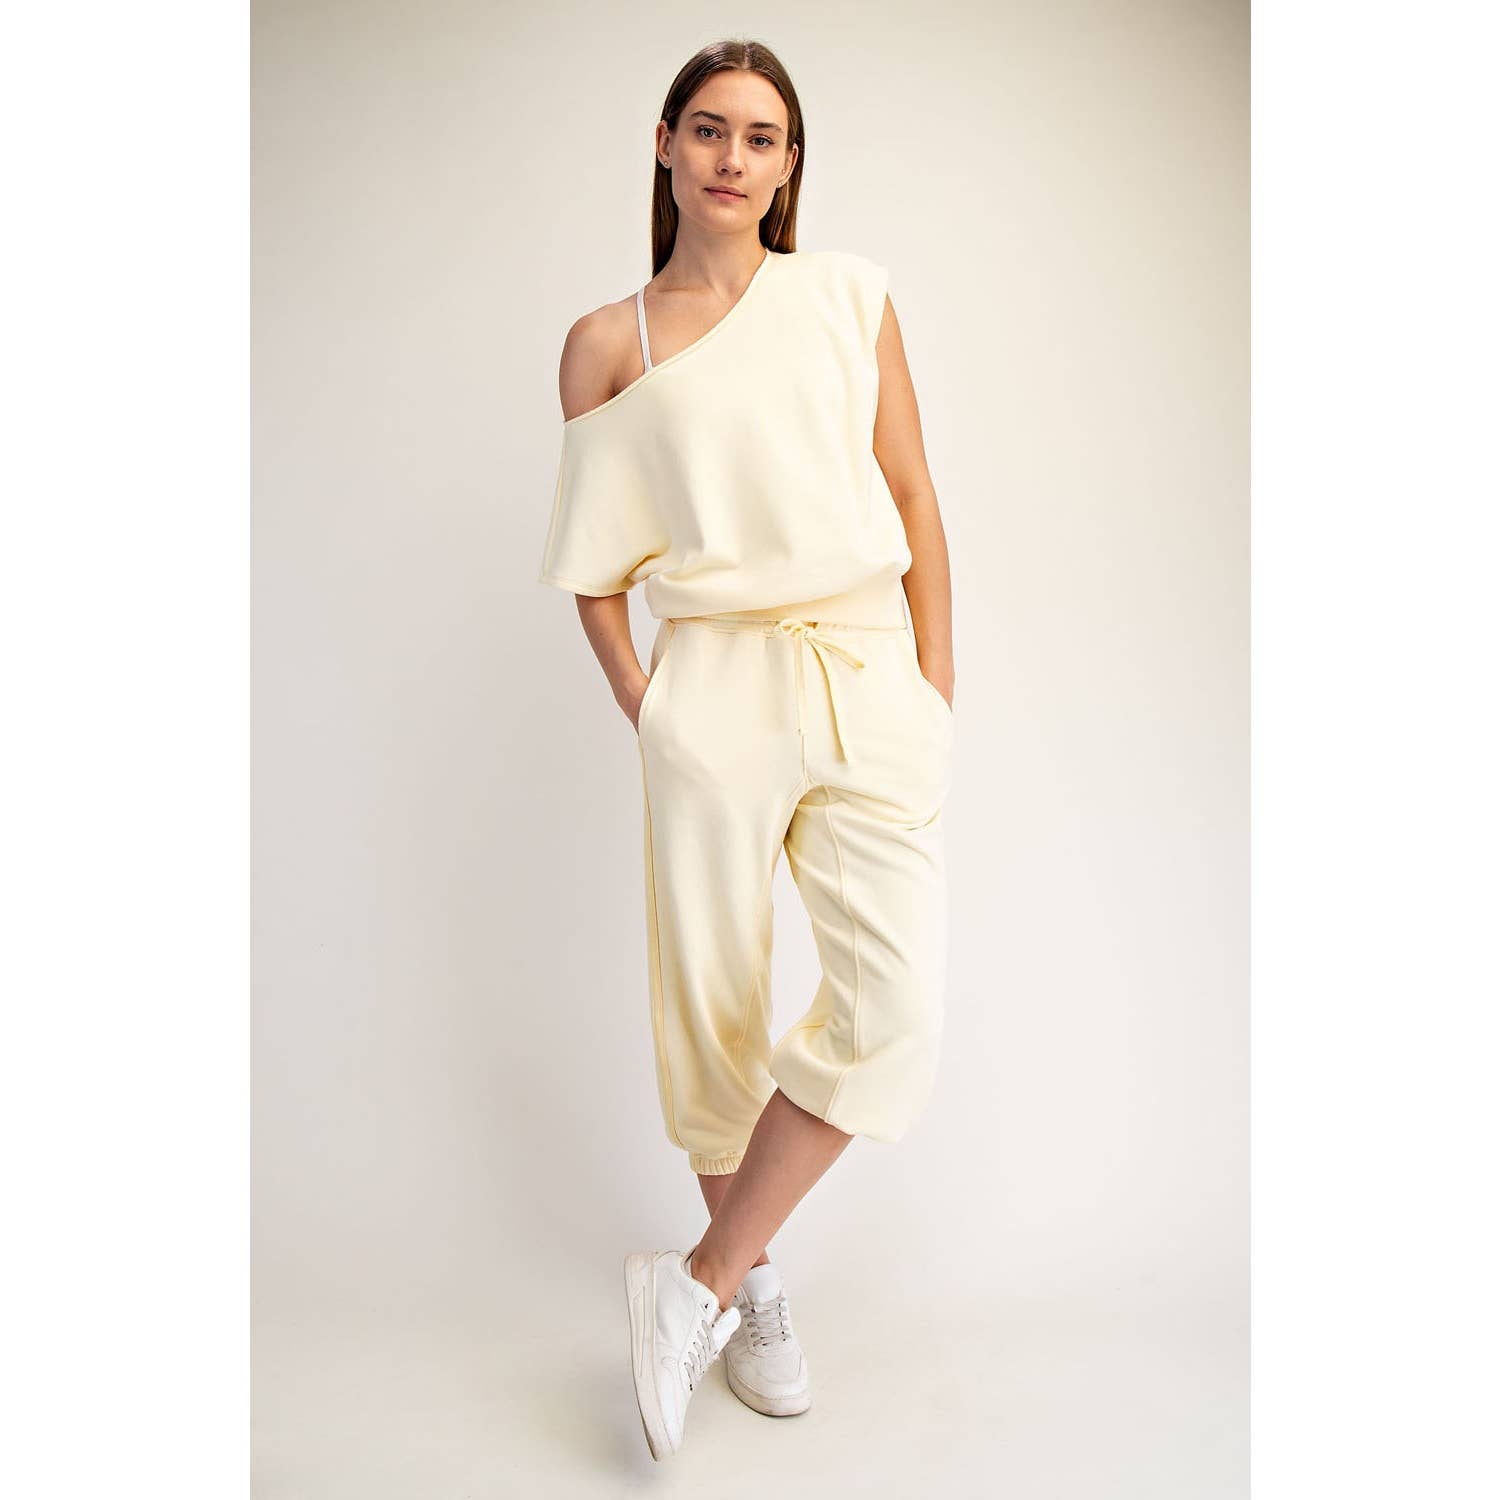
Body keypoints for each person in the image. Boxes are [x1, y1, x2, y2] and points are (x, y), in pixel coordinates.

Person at [538, 38, 955, 1461]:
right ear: (665, 145)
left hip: (860, 668)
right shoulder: (609, 344)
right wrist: (645, 699)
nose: (732, 157)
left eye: (762, 136)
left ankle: (699, 1281)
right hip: (709, 683)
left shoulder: (849, 297)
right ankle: (757, 1289)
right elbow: (595, 562)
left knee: (890, 1012)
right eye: (708, 129)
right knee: (710, 1003)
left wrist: (932, 688)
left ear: (789, 165)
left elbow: (915, 494)